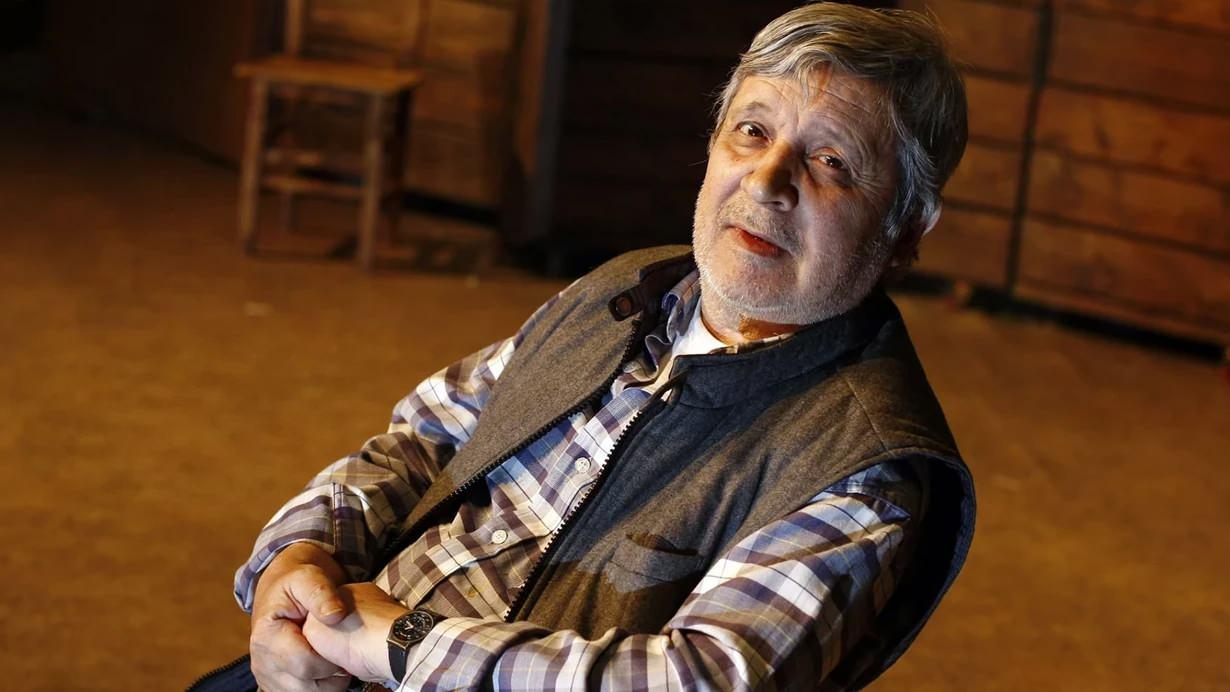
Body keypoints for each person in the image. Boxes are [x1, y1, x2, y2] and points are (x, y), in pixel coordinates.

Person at [234, 3, 975, 690]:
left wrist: (399, 644)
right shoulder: (625, 290)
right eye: (752, 131)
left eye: (831, 162)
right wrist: (297, 560)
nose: (767, 180)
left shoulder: (863, 465)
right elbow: (424, 440)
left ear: (905, 229)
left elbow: (697, 680)